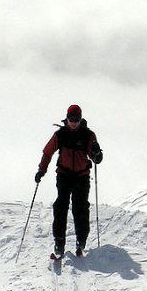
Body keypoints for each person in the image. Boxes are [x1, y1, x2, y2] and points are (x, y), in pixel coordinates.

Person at [35, 104, 103, 257]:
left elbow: (95, 157)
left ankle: (81, 240)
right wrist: (41, 169)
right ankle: (59, 242)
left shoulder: (88, 135)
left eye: (76, 119)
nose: (73, 122)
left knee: (80, 207)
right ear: (67, 118)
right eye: (71, 119)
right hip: (64, 174)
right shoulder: (60, 134)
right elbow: (48, 152)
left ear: (80, 119)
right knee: (60, 206)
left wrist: (97, 154)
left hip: (82, 175)